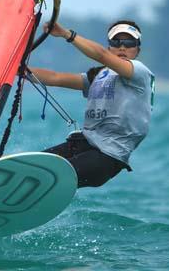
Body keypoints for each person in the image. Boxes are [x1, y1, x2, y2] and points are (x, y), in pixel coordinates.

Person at [29, 20, 155, 188]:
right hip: (83, 145)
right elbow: (55, 78)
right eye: (116, 42)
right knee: (32, 168)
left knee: (49, 177)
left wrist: (67, 34)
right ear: (110, 46)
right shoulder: (99, 75)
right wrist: (19, 70)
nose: (122, 47)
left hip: (107, 158)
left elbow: (101, 55)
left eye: (129, 42)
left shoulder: (139, 72)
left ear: (137, 49)